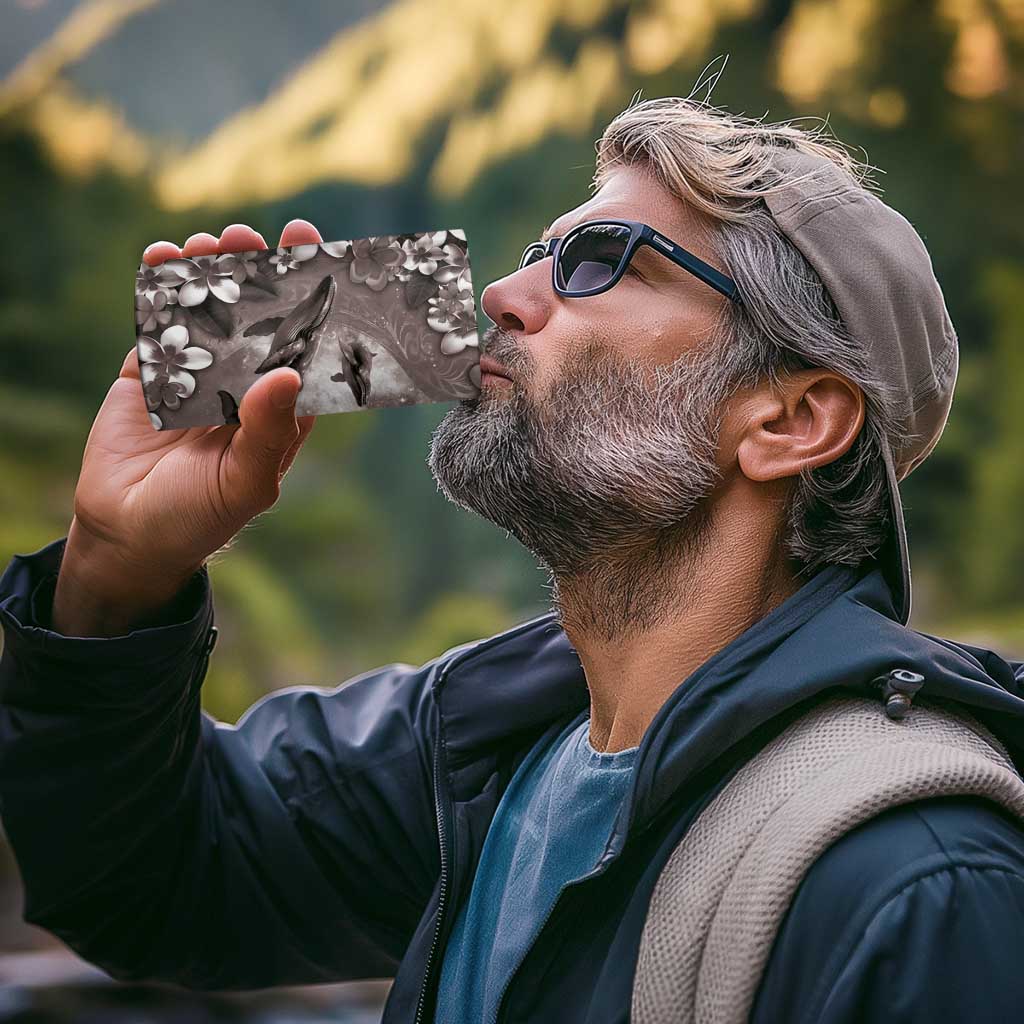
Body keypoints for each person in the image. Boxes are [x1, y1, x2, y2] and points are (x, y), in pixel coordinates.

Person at [2, 95, 1024, 1024]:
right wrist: (116, 570)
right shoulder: (480, 748)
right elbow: (149, 879)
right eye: (539, 252)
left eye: (599, 261)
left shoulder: (918, 884)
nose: (500, 292)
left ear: (791, 419)